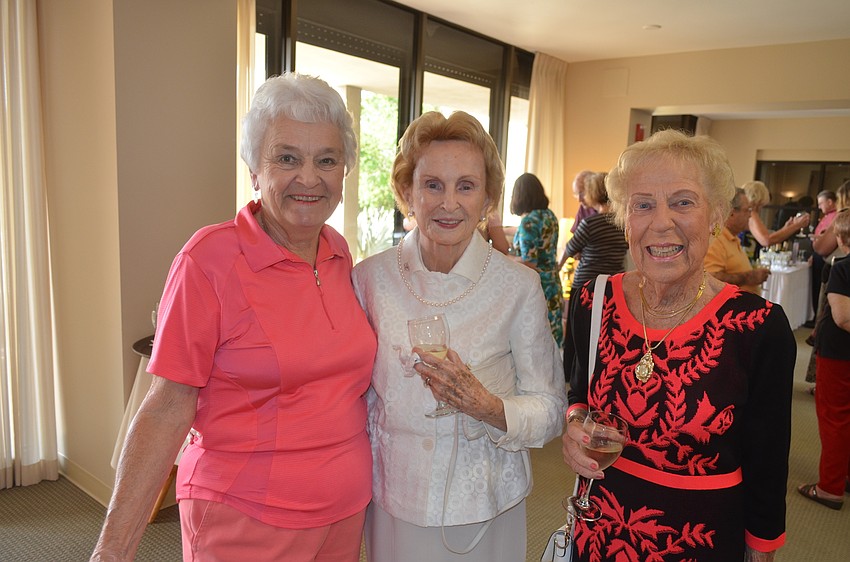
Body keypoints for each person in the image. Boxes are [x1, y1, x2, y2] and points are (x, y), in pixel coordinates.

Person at [91, 74, 377, 562]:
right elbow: (166, 409)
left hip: (344, 516)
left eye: (326, 160)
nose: (309, 178)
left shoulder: (338, 254)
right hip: (244, 518)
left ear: (345, 172)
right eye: (287, 158)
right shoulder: (209, 260)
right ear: (253, 169)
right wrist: (112, 551)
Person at [562, 129, 794, 562]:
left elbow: (767, 469)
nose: (661, 222)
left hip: (697, 543)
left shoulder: (758, 327)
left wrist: (761, 552)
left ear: (716, 216)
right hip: (596, 536)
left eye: (683, 202)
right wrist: (575, 424)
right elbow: (578, 391)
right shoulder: (593, 300)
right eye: (643, 204)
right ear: (624, 219)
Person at [352, 111, 566, 562]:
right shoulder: (369, 280)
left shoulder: (517, 286)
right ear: (407, 192)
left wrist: (487, 406)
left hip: (485, 508)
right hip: (396, 500)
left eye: (465, 186)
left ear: (487, 197)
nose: (449, 203)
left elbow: (550, 410)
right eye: (433, 185)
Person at [799, 210, 850, 510]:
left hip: (839, 352)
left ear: (841, 239)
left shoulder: (841, 268)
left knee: (834, 418)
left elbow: (842, 317)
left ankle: (830, 487)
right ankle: (844, 475)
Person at [510, 172, 564, 345]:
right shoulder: (549, 216)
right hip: (553, 282)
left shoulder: (528, 222)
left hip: (537, 285)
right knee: (553, 337)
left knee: (536, 339)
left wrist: (505, 258)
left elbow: (529, 262)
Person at [558, 172, 629, 291]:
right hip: (614, 285)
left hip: (587, 285)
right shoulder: (623, 223)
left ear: (592, 194)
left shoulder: (589, 223)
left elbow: (570, 249)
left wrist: (557, 268)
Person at [704, 188, 770, 294]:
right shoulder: (717, 239)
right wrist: (749, 277)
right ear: (731, 213)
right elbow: (712, 279)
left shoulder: (732, 237)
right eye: (747, 210)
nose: (750, 215)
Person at [742, 180, 809, 251]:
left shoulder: (747, 212)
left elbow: (767, 236)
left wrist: (785, 228)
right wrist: (796, 226)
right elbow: (766, 240)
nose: (761, 208)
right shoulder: (751, 213)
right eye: (761, 205)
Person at [808, 190, 838, 326]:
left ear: (830, 202)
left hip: (826, 256)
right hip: (819, 254)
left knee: (820, 288)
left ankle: (818, 320)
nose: (819, 207)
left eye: (821, 203)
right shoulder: (827, 216)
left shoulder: (837, 217)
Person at [570, 170, 597, 234]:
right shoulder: (583, 208)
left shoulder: (608, 207)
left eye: (582, 193)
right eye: (576, 194)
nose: (579, 200)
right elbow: (576, 234)